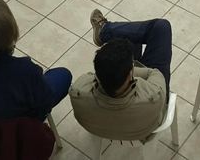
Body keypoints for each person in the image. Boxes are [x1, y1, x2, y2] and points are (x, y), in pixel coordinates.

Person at [70, 10, 171, 140]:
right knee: (162, 27)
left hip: (101, 127)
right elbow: (154, 73)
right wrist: (131, 68)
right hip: (144, 129)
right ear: (131, 74)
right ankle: (105, 30)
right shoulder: (154, 96)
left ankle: (104, 30)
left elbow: (90, 77)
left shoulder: (77, 92)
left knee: (127, 41)